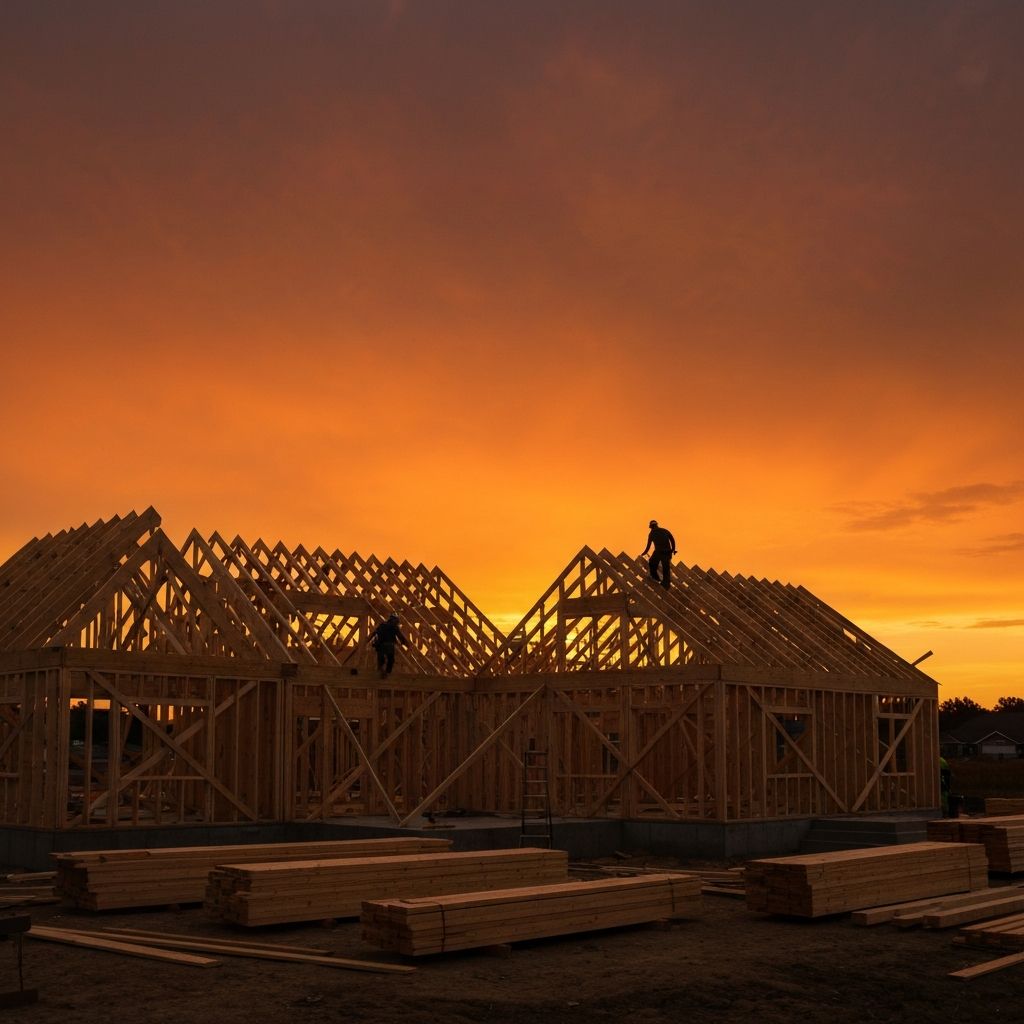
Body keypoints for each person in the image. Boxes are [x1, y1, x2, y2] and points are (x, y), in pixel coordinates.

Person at [369, 613, 409, 678]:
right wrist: (406, 643)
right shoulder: (394, 627)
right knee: (390, 660)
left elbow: (374, 633)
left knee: (382, 660)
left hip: (381, 645)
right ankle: (387, 673)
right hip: (388, 645)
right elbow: (400, 636)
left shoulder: (382, 625)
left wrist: (368, 640)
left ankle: (382, 672)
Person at [642, 519, 677, 589]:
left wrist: (643, 553)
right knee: (666, 568)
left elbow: (648, 546)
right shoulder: (665, 530)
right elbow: (672, 539)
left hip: (659, 552)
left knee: (652, 562)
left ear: (651, 527)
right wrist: (673, 549)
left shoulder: (652, 533)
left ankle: (656, 578)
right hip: (667, 552)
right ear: (657, 525)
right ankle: (666, 585)